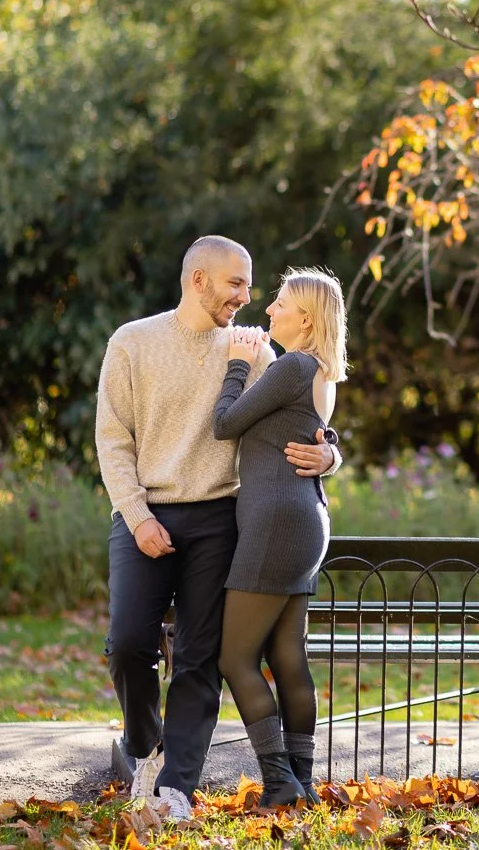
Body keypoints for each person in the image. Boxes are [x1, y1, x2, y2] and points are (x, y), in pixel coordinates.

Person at [95, 236, 340, 820]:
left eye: (252, 287)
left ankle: (178, 786)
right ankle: (145, 746)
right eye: (236, 284)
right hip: (145, 513)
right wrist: (137, 515)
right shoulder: (132, 342)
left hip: (222, 519)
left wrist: (332, 453)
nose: (246, 298)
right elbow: (112, 439)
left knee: (202, 657)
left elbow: (310, 412)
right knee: (129, 645)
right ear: (197, 280)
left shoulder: (254, 351)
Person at [213, 267, 346, 808]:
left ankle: (279, 784)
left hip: (275, 523)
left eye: (280, 304)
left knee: (235, 659)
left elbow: (225, 423)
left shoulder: (292, 365)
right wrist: (333, 455)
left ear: (307, 317)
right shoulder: (321, 373)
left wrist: (237, 365)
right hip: (307, 520)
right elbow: (315, 437)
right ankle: (303, 783)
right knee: (287, 655)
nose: (268, 311)